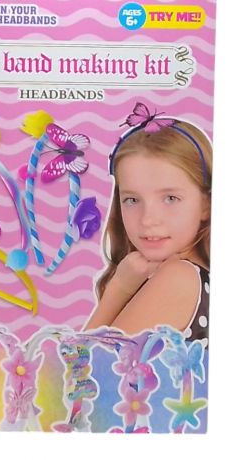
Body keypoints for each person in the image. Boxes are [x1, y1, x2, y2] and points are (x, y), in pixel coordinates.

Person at [84, 104, 212, 342]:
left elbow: (77, 363)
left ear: (206, 204)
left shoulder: (179, 278)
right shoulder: (192, 277)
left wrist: (119, 289)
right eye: (132, 200)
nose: (148, 220)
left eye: (171, 198)